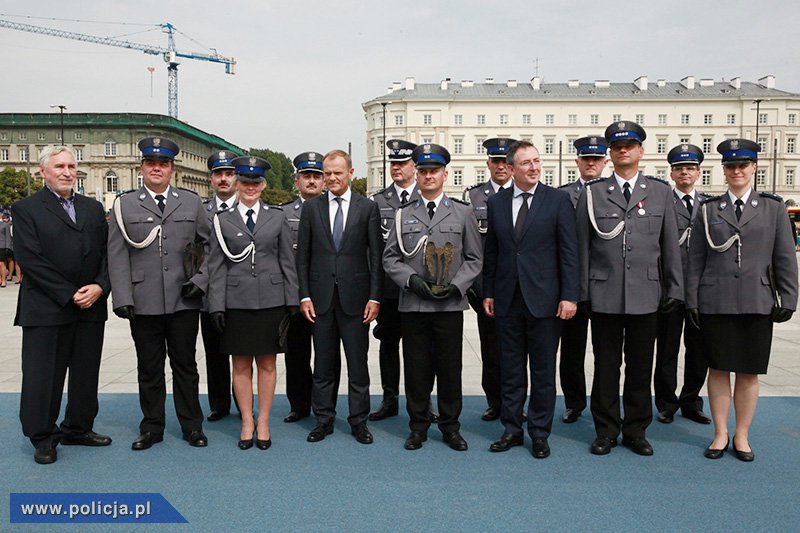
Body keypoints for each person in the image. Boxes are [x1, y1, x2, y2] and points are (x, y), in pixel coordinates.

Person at [576, 121, 683, 456]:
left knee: (640, 366)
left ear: (641, 151)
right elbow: (582, 247)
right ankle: (606, 430)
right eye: (617, 146)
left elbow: (670, 247)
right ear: (610, 153)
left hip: (646, 294)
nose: (623, 151)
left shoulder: (660, 192)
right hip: (604, 293)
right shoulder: (593, 193)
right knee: (606, 367)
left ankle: (636, 430)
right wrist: (582, 293)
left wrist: (674, 290)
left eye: (630, 145)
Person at [687, 138, 797, 461]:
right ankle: (720, 434)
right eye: (731, 166)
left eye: (742, 165)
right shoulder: (708, 210)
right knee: (718, 369)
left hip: (756, 300)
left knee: (748, 372)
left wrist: (788, 297)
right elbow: (696, 259)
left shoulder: (773, 209)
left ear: (753, 168)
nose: (737, 171)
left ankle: (742, 435)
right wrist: (692, 300)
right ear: (724, 170)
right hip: (715, 301)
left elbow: (785, 257)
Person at [108, 136, 209, 451]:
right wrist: (122, 297)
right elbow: (117, 254)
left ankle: (192, 426)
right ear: (142, 167)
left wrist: (202, 281)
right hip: (144, 299)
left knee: (186, 365)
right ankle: (152, 427)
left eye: (163, 164)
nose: (157, 169)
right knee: (149, 367)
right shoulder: (124, 204)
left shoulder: (191, 202)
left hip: (183, 298)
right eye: (151, 163)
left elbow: (209, 247)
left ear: (172, 169)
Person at [13, 145, 111, 464]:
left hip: (91, 305)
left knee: (85, 373)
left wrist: (100, 286)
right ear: (43, 172)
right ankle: (43, 436)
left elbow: (107, 254)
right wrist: (70, 293)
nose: (67, 172)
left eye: (71, 165)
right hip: (47, 307)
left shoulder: (93, 209)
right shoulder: (26, 209)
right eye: (59, 167)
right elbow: (30, 259)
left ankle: (78, 428)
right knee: (44, 376)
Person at [483, 141, 579, 458]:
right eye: (526, 163)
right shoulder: (496, 203)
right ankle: (511, 429)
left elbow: (569, 253)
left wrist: (569, 296)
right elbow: (492, 252)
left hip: (546, 301)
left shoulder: (558, 201)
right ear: (511, 169)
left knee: (542, 372)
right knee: (510, 371)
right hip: (508, 299)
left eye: (537, 161)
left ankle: (539, 432)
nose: (534, 167)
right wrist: (489, 291)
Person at [383, 143, 482, 451]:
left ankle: (451, 426)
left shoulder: (462, 212)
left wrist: (459, 285)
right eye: (423, 171)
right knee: (416, 368)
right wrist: (410, 280)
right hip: (414, 304)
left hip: (449, 304)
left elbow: (474, 258)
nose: (428, 176)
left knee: (450, 368)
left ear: (444, 174)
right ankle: (418, 426)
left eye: (434, 171)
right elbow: (390, 258)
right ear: (417, 173)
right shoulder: (402, 216)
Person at [207, 156, 299, 450]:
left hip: (271, 300)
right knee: (241, 365)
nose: (250, 187)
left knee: (268, 364)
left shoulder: (277, 217)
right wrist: (216, 305)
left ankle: (264, 421)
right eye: (245, 181)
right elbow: (216, 265)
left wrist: (292, 300)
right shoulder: (222, 220)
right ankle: (247, 420)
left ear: (263, 185)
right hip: (237, 301)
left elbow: (287, 260)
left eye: (255, 182)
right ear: (237, 183)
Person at [296, 149, 383, 445]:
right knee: (323, 365)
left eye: (337, 172)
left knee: (357, 364)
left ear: (350, 173)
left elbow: (376, 257)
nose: (331, 178)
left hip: (357, 300)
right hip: (319, 300)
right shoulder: (311, 208)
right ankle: (324, 419)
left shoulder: (367, 208)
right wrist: (304, 295)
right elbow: (303, 258)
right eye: (326, 173)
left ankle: (359, 421)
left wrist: (375, 297)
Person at [654, 144, 711, 425]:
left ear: (698, 172)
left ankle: (692, 400)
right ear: (672, 173)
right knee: (666, 349)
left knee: (698, 349)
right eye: (679, 168)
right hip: (669, 289)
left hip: (700, 290)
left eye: (689, 168)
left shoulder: (710, 206)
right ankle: (666, 402)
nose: (684, 173)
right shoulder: (663, 203)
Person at [463, 137, 517, 422]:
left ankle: (515, 401)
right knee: (491, 349)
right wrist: (475, 287)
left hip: (518, 286)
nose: (501, 167)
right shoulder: (474, 196)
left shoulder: (524, 193)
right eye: (495, 161)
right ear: (488, 164)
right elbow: (467, 244)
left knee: (517, 351)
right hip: (486, 287)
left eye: (505, 161)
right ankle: (495, 401)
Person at [369, 139, 421, 421]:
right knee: (388, 345)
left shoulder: (425, 195)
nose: (397, 168)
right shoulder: (378, 201)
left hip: (418, 289)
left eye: (402, 163)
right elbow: (372, 250)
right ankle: (389, 400)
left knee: (418, 350)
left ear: (414, 166)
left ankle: (420, 402)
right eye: (394, 163)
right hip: (389, 289)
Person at [557, 135, 608, 424]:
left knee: (605, 352)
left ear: (604, 162)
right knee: (572, 350)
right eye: (586, 159)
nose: (591, 163)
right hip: (572, 285)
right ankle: (574, 402)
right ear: (577, 162)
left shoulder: (612, 192)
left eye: (596, 159)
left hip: (604, 284)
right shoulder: (562, 195)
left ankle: (602, 401)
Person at [280, 152, 325, 423]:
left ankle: (323, 405)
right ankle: (299, 405)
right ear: (297, 181)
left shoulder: (333, 210)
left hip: (325, 295)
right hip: (295, 294)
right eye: (306, 176)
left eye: (316, 176)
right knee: (296, 356)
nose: (311, 181)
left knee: (325, 356)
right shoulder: (283, 213)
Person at [200, 149, 239, 422]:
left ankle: (243, 403)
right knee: (214, 354)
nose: (223, 179)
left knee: (242, 353)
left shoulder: (248, 208)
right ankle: (219, 405)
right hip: (208, 293)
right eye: (218, 174)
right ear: (211, 178)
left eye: (229, 174)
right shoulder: (200, 211)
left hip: (241, 294)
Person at [0, 215, 10, 287]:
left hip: (2, 246)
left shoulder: (5, 225)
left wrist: (8, 247)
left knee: (1, 264)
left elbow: (8, 237)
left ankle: (4, 280)